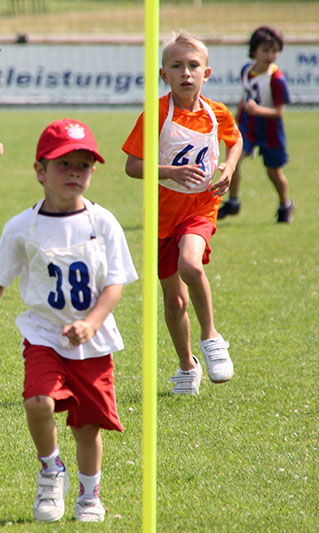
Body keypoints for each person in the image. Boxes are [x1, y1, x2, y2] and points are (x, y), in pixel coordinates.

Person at [0, 119, 138, 522]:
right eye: (64, 164)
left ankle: (89, 495)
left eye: (84, 165)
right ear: (40, 171)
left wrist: (93, 323)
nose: (75, 173)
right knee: (38, 402)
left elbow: (115, 283)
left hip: (92, 343)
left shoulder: (104, 222)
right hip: (44, 335)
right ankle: (50, 472)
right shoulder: (22, 227)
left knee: (87, 428)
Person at [122, 31, 240, 395]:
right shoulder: (156, 114)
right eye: (177, 66)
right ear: (163, 74)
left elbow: (235, 142)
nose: (186, 73)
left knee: (191, 265)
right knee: (174, 303)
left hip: (200, 208)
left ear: (207, 73)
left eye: (193, 66)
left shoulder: (216, 113)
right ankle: (187, 365)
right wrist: (170, 172)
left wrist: (229, 169)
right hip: (162, 216)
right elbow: (132, 166)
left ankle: (212, 337)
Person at [218, 25, 294, 223]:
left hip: (270, 130)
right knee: (233, 161)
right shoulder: (246, 71)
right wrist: (237, 115)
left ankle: (285, 204)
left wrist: (258, 110)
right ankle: (233, 202)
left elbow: (279, 111)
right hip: (247, 126)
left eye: (274, 51)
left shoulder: (277, 80)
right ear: (254, 52)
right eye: (266, 50)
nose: (270, 55)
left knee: (273, 172)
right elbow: (247, 95)